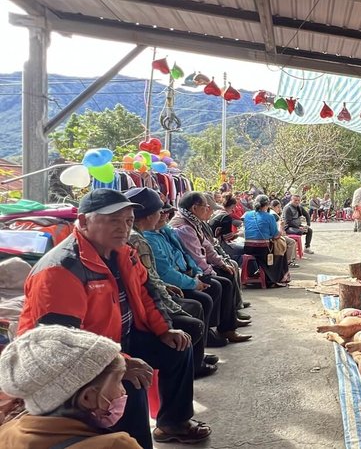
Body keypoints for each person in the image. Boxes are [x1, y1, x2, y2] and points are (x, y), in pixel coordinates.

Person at [18, 189, 209, 448]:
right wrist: (118, 364)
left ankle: (173, 423)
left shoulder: (123, 252)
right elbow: (59, 345)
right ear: (84, 222)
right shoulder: (61, 269)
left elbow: (146, 292)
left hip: (117, 340)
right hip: (70, 364)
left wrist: (164, 329)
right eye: (113, 220)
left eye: (129, 221)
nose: (124, 228)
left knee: (177, 347)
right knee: (131, 382)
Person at [125, 188, 217, 378]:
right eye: (161, 212)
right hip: (142, 313)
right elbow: (155, 281)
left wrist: (196, 275)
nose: (165, 215)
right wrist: (173, 308)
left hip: (163, 291)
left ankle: (197, 357)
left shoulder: (161, 232)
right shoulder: (140, 240)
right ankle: (194, 363)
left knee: (205, 297)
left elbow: (182, 257)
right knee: (195, 316)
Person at [0, 326, 141, 448]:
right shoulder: (115, 445)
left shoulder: (6, 433)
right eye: (118, 381)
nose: (123, 390)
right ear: (87, 397)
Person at [145, 203, 250, 347]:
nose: (165, 215)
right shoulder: (181, 228)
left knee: (224, 278)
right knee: (211, 291)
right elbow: (168, 271)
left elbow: (188, 254)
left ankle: (225, 326)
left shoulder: (168, 230)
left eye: (167, 212)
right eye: (161, 212)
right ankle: (209, 335)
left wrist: (199, 273)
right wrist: (198, 278)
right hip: (178, 280)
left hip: (189, 272)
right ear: (194, 208)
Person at [244, 195, 291, 287]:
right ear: (267, 205)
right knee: (281, 247)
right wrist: (281, 227)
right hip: (263, 249)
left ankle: (258, 273)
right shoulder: (269, 217)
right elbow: (276, 235)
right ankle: (278, 278)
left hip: (248, 247)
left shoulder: (247, 214)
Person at [208, 193, 244, 263]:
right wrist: (240, 234)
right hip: (220, 246)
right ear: (233, 206)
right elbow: (228, 237)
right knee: (245, 249)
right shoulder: (226, 217)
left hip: (213, 243)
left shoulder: (217, 213)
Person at [267, 199, 299, 268]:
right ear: (273, 207)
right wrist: (282, 227)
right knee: (292, 242)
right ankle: (288, 262)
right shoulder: (273, 215)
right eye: (278, 207)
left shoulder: (269, 213)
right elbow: (277, 232)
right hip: (272, 237)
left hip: (270, 236)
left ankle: (288, 260)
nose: (279, 209)